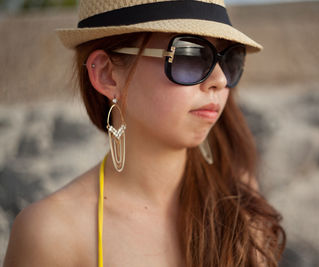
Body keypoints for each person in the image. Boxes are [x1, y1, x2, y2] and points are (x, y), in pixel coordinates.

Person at [3, 0, 285, 266]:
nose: (220, 79)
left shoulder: (239, 205)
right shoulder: (52, 233)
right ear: (106, 74)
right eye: (190, 55)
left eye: (229, 59)